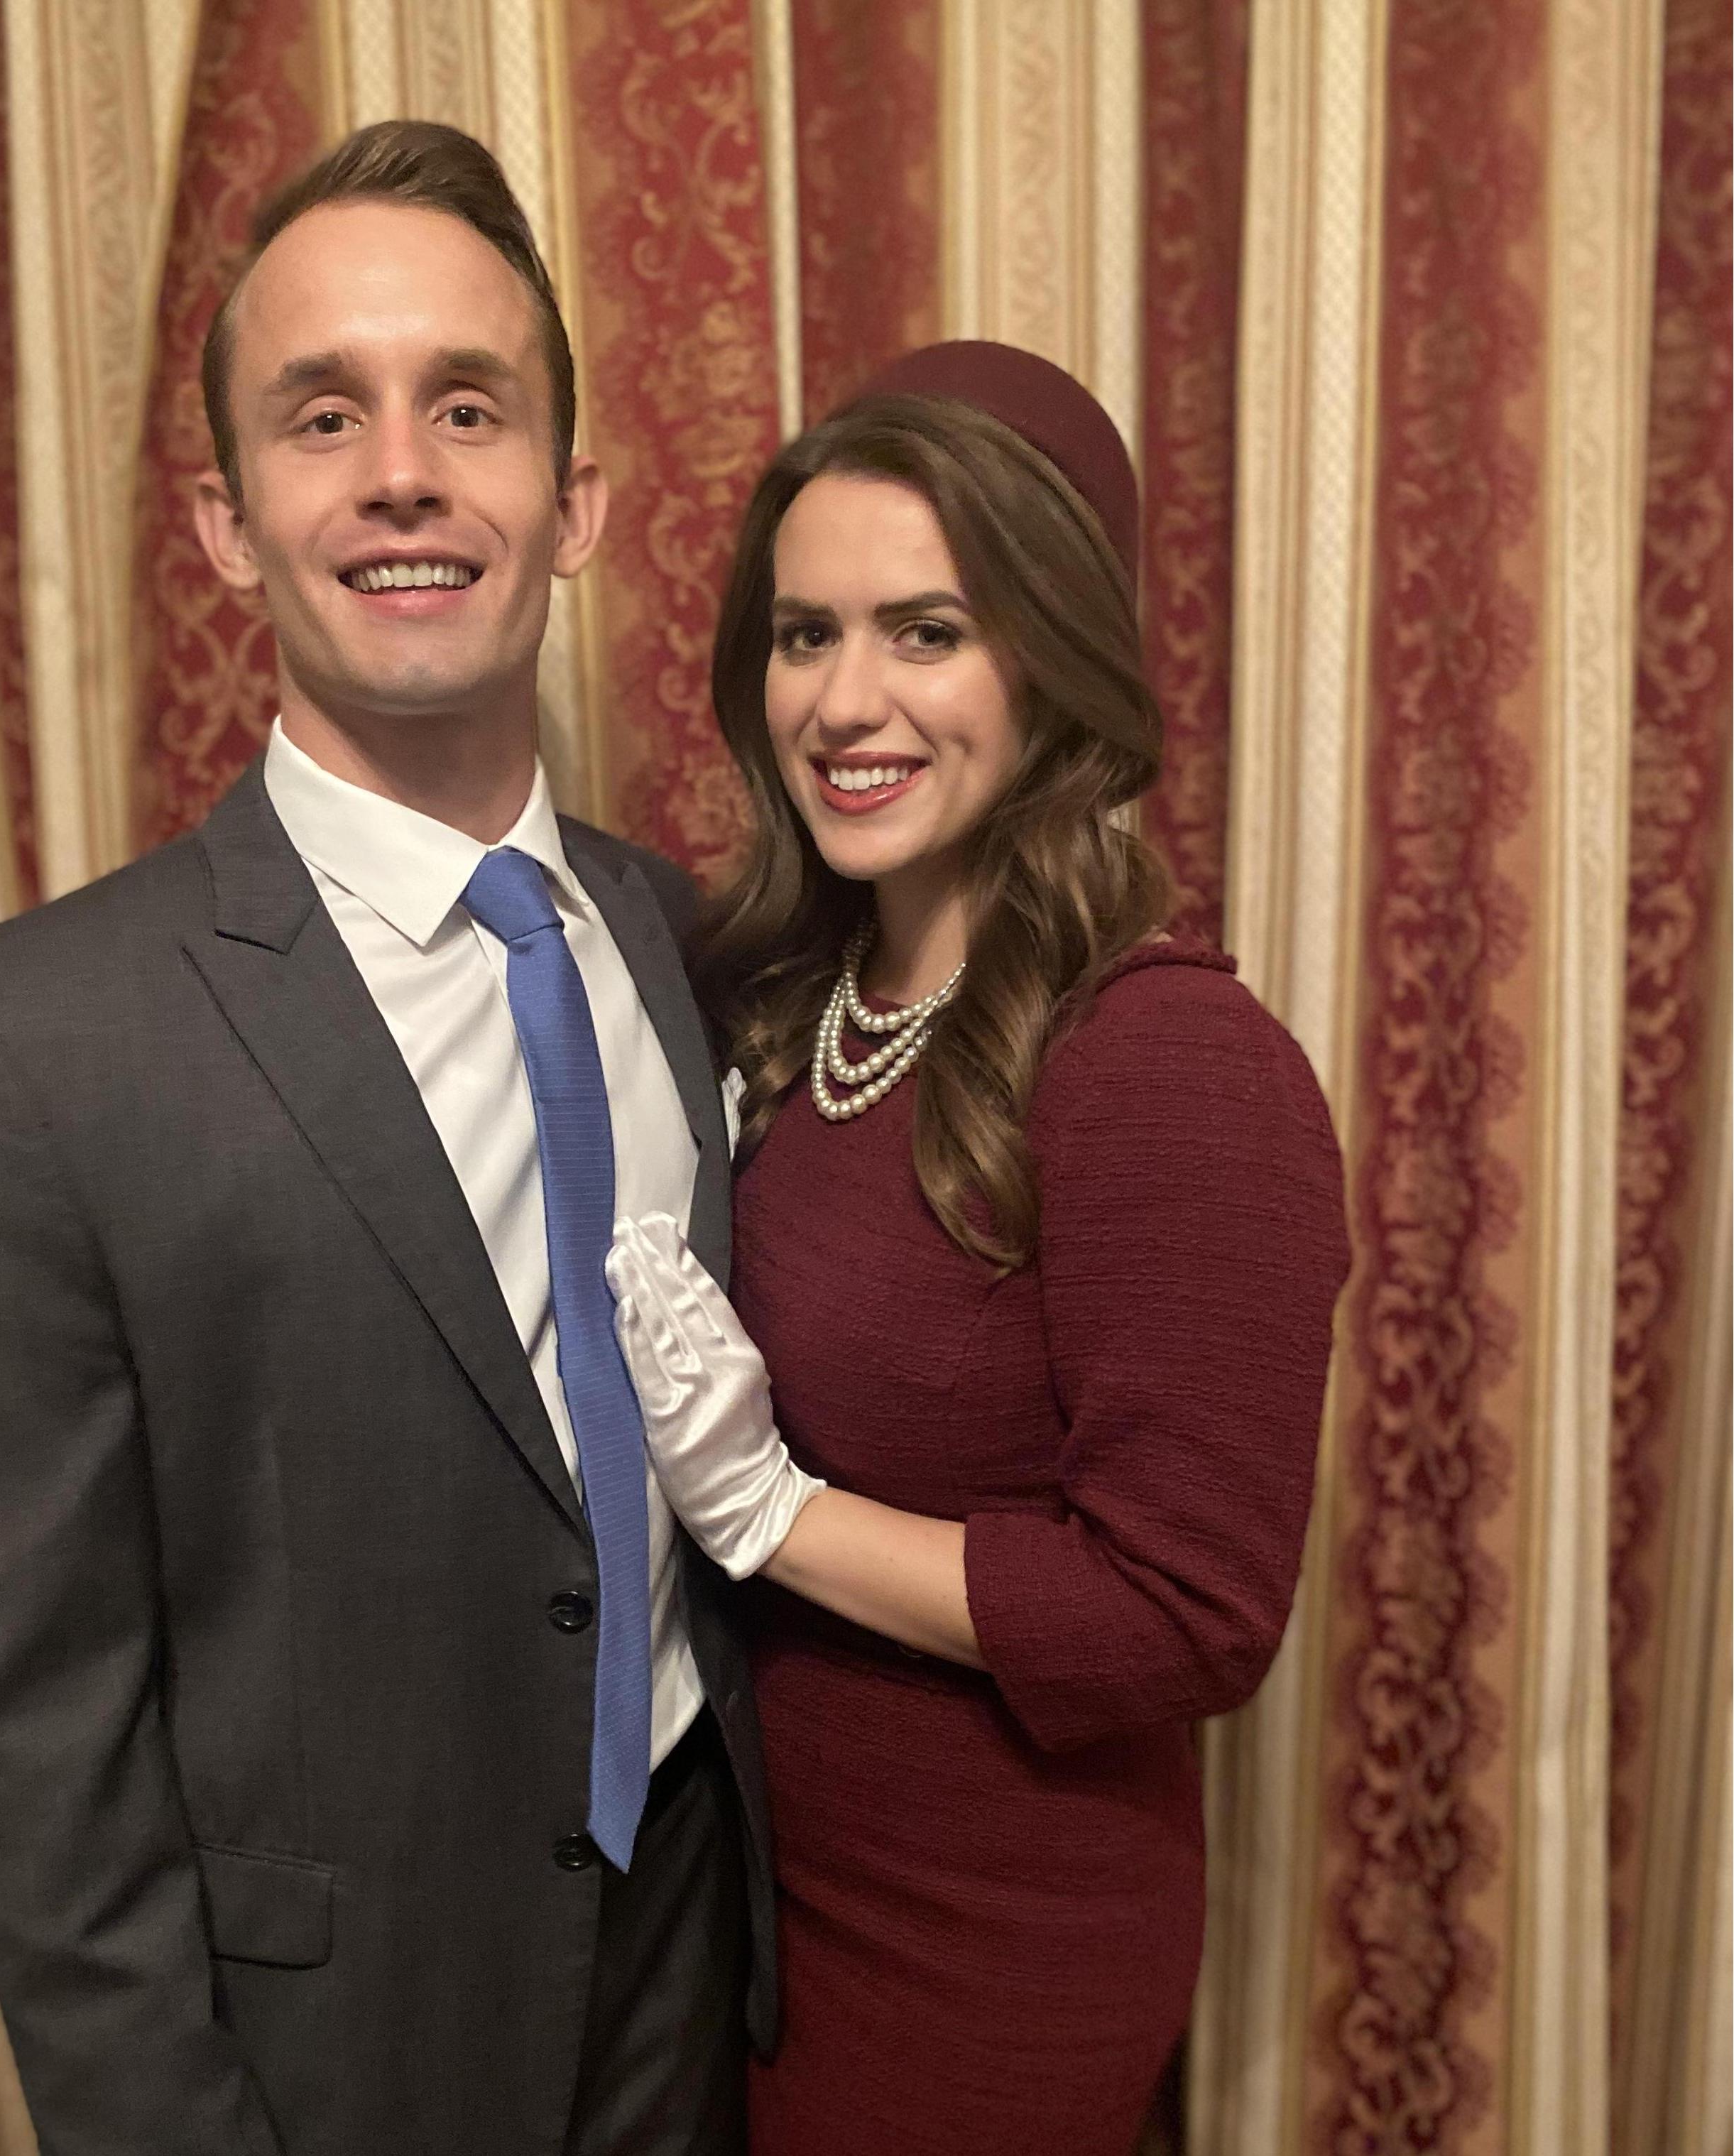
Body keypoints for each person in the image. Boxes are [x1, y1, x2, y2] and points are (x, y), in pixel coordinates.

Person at [0, 121, 773, 2156]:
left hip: (708, 2002)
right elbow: (38, 1746)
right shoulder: (19, 1046)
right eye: (319, 415)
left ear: (576, 502)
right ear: (222, 523)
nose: (400, 474)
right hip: (325, 2071)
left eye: (470, 406)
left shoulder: (695, 947)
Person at [605, 342, 1351, 2155]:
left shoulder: (1169, 1065)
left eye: (927, 631)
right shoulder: (786, 997)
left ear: (1058, 665)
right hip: (755, 1908)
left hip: (986, 1960)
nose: (846, 701)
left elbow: (1192, 1612)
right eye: (805, 635)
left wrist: (775, 1516)